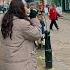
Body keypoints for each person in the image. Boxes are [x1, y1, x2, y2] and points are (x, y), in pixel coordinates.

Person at [0, 0, 42, 70]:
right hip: (21, 65)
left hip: (6, 63)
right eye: (25, 6)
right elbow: (38, 34)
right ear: (21, 8)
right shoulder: (23, 24)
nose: (27, 8)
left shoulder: (4, 19)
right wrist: (33, 18)